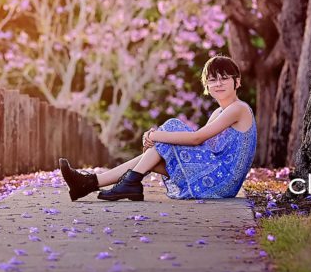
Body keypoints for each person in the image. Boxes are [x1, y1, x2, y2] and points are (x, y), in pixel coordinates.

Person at [59, 55, 256, 201]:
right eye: (212, 80)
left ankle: (128, 183)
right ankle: (88, 184)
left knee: (171, 127)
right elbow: (201, 149)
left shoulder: (238, 109)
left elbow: (197, 139)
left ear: (237, 82)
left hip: (222, 182)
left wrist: (156, 135)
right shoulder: (218, 113)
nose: (218, 84)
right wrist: (157, 143)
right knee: (159, 149)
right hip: (214, 175)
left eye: (224, 78)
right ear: (206, 85)